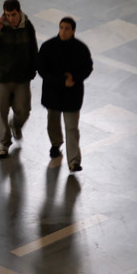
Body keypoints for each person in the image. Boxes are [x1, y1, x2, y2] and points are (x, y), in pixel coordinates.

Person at [0, 0, 38, 159]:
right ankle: (4, 142)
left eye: (13, 15)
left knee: (24, 110)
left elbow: (34, 49)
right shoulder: (1, 26)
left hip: (21, 78)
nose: (10, 18)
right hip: (2, 77)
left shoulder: (27, 27)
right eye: (7, 15)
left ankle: (16, 125)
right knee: (1, 110)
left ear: (19, 12)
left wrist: (33, 71)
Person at [37, 17, 93, 172]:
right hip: (53, 94)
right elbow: (42, 69)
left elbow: (87, 68)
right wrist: (62, 81)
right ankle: (56, 144)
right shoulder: (48, 47)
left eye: (67, 28)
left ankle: (74, 161)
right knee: (53, 123)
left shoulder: (80, 49)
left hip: (72, 96)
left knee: (71, 128)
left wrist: (74, 78)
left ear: (73, 30)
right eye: (61, 27)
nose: (63, 31)